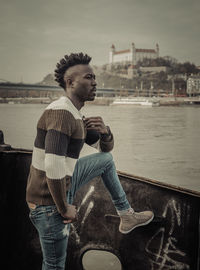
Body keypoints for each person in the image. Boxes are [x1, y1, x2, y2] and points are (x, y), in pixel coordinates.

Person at [26, 52, 154, 270]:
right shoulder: (61, 113)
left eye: (94, 77)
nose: (95, 82)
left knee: (105, 160)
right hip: (48, 202)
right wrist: (64, 208)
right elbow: (53, 166)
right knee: (54, 265)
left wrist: (105, 133)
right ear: (70, 82)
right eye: (88, 78)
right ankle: (117, 213)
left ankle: (126, 215)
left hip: (57, 187)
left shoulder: (75, 116)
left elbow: (104, 149)